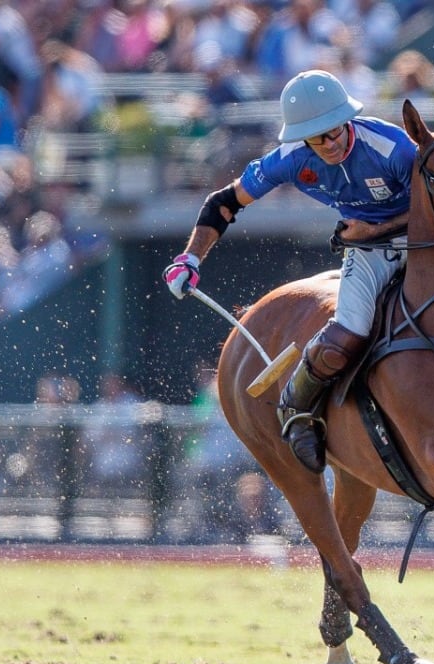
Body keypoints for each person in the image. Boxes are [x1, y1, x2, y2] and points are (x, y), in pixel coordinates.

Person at [163, 69, 414, 475]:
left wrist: (373, 228)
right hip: (368, 254)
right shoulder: (290, 160)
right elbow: (223, 204)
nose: (331, 143)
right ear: (302, 137)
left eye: (336, 131)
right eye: (319, 137)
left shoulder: (392, 147)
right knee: (347, 328)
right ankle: (298, 410)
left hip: (428, 243)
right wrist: (190, 258)